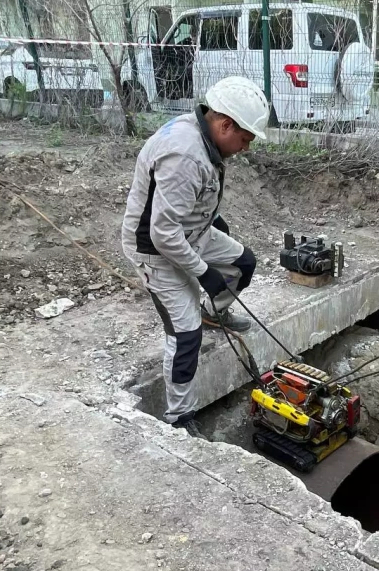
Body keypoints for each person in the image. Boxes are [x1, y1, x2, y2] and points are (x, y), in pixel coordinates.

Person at [121, 76, 269, 437]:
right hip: (155, 250)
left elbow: (184, 199)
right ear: (225, 125)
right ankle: (179, 418)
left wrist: (211, 217)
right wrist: (203, 272)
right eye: (245, 139)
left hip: (190, 233)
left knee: (242, 263)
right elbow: (162, 233)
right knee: (186, 335)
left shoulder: (202, 136)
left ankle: (212, 311)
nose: (246, 148)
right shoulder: (185, 154)